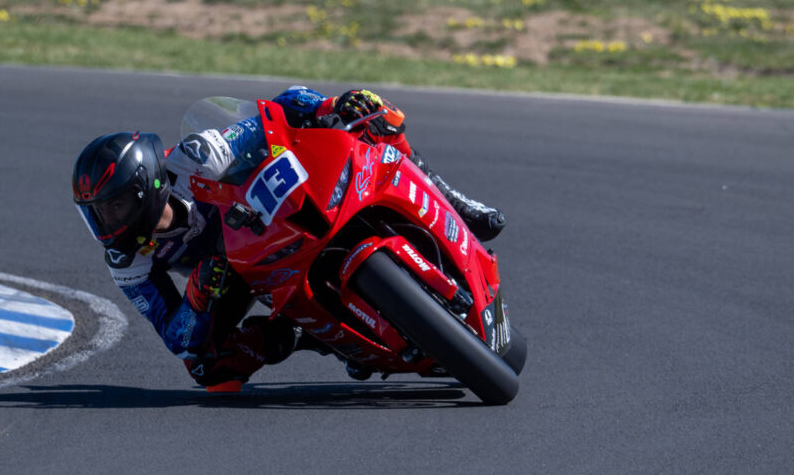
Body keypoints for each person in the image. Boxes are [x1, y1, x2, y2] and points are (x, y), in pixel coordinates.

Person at [72, 87, 506, 388]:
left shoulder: (194, 158)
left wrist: (329, 106)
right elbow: (175, 337)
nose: (105, 223)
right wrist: (199, 300)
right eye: (95, 213)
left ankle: (458, 205)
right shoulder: (127, 261)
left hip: (271, 212)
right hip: (235, 272)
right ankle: (307, 335)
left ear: (145, 187)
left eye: (113, 207)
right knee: (206, 368)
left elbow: (273, 114)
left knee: (372, 117)